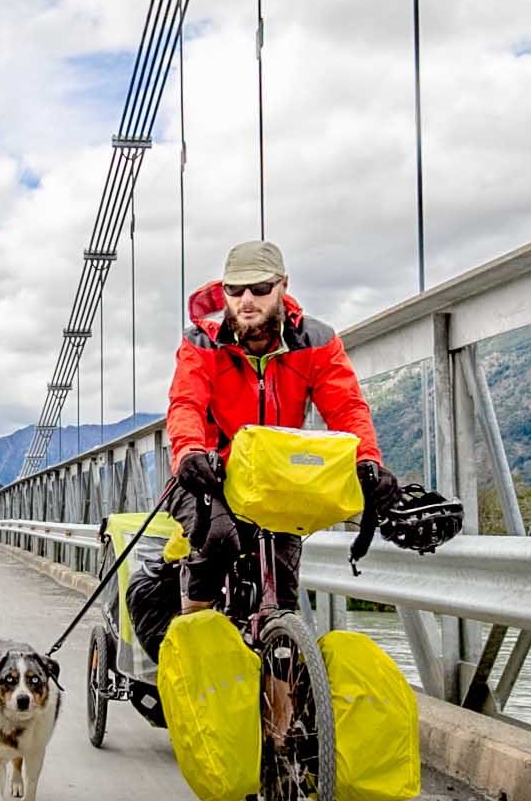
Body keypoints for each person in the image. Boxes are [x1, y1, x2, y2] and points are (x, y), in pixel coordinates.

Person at [159, 239, 397, 622]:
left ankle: (280, 658)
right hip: (207, 475)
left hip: (279, 478)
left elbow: (347, 407)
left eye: (260, 288)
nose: (246, 300)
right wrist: (188, 452)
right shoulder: (201, 341)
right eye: (234, 290)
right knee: (216, 542)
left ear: (283, 285)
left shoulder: (316, 341)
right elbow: (185, 403)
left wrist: (368, 460)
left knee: (283, 588)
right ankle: (191, 639)